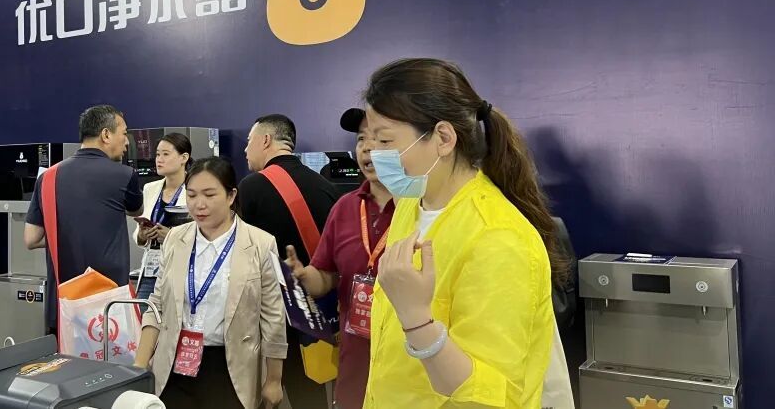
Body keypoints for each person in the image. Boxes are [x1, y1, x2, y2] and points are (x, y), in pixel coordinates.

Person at [360, 58, 567, 408]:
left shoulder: (499, 239)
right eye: (369, 139)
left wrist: (416, 319)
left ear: (443, 138)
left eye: (384, 140)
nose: (373, 153)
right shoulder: (411, 204)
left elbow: (492, 396)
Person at [134, 157, 287, 409]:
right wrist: (139, 366)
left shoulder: (260, 243)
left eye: (209, 194)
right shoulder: (175, 239)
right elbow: (157, 305)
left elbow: (273, 317)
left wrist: (273, 379)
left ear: (230, 196)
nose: (199, 204)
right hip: (174, 362)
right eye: (192, 195)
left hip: (230, 366)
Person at [282, 108, 395, 409]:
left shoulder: (422, 207)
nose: (367, 148)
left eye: (381, 139)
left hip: (407, 366)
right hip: (354, 363)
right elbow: (326, 276)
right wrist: (303, 275)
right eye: (361, 139)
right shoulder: (345, 207)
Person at [238, 114, 341, 408]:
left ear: (265, 140)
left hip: (268, 313)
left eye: (249, 141)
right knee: (310, 392)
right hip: (318, 311)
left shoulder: (251, 187)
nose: (245, 149)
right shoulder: (326, 186)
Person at [24, 105, 143, 333]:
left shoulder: (47, 178)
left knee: (63, 357)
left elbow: (31, 239)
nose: (127, 142)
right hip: (109, 308)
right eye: (124, 133)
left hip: (63, 305)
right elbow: (136, 211)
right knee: (110, 357)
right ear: (106, 135)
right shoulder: (125, 175)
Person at [133, 133, 192, 301]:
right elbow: (139, 233)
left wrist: (170, 236)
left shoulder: (194, 190)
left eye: (166, 154)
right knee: (144, 312)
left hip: (181, 269)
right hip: (151, 268)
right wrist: (142, 235)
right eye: (158, 154)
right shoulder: (150, 188)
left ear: (184, 158)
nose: (159, 159)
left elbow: (202, 232)